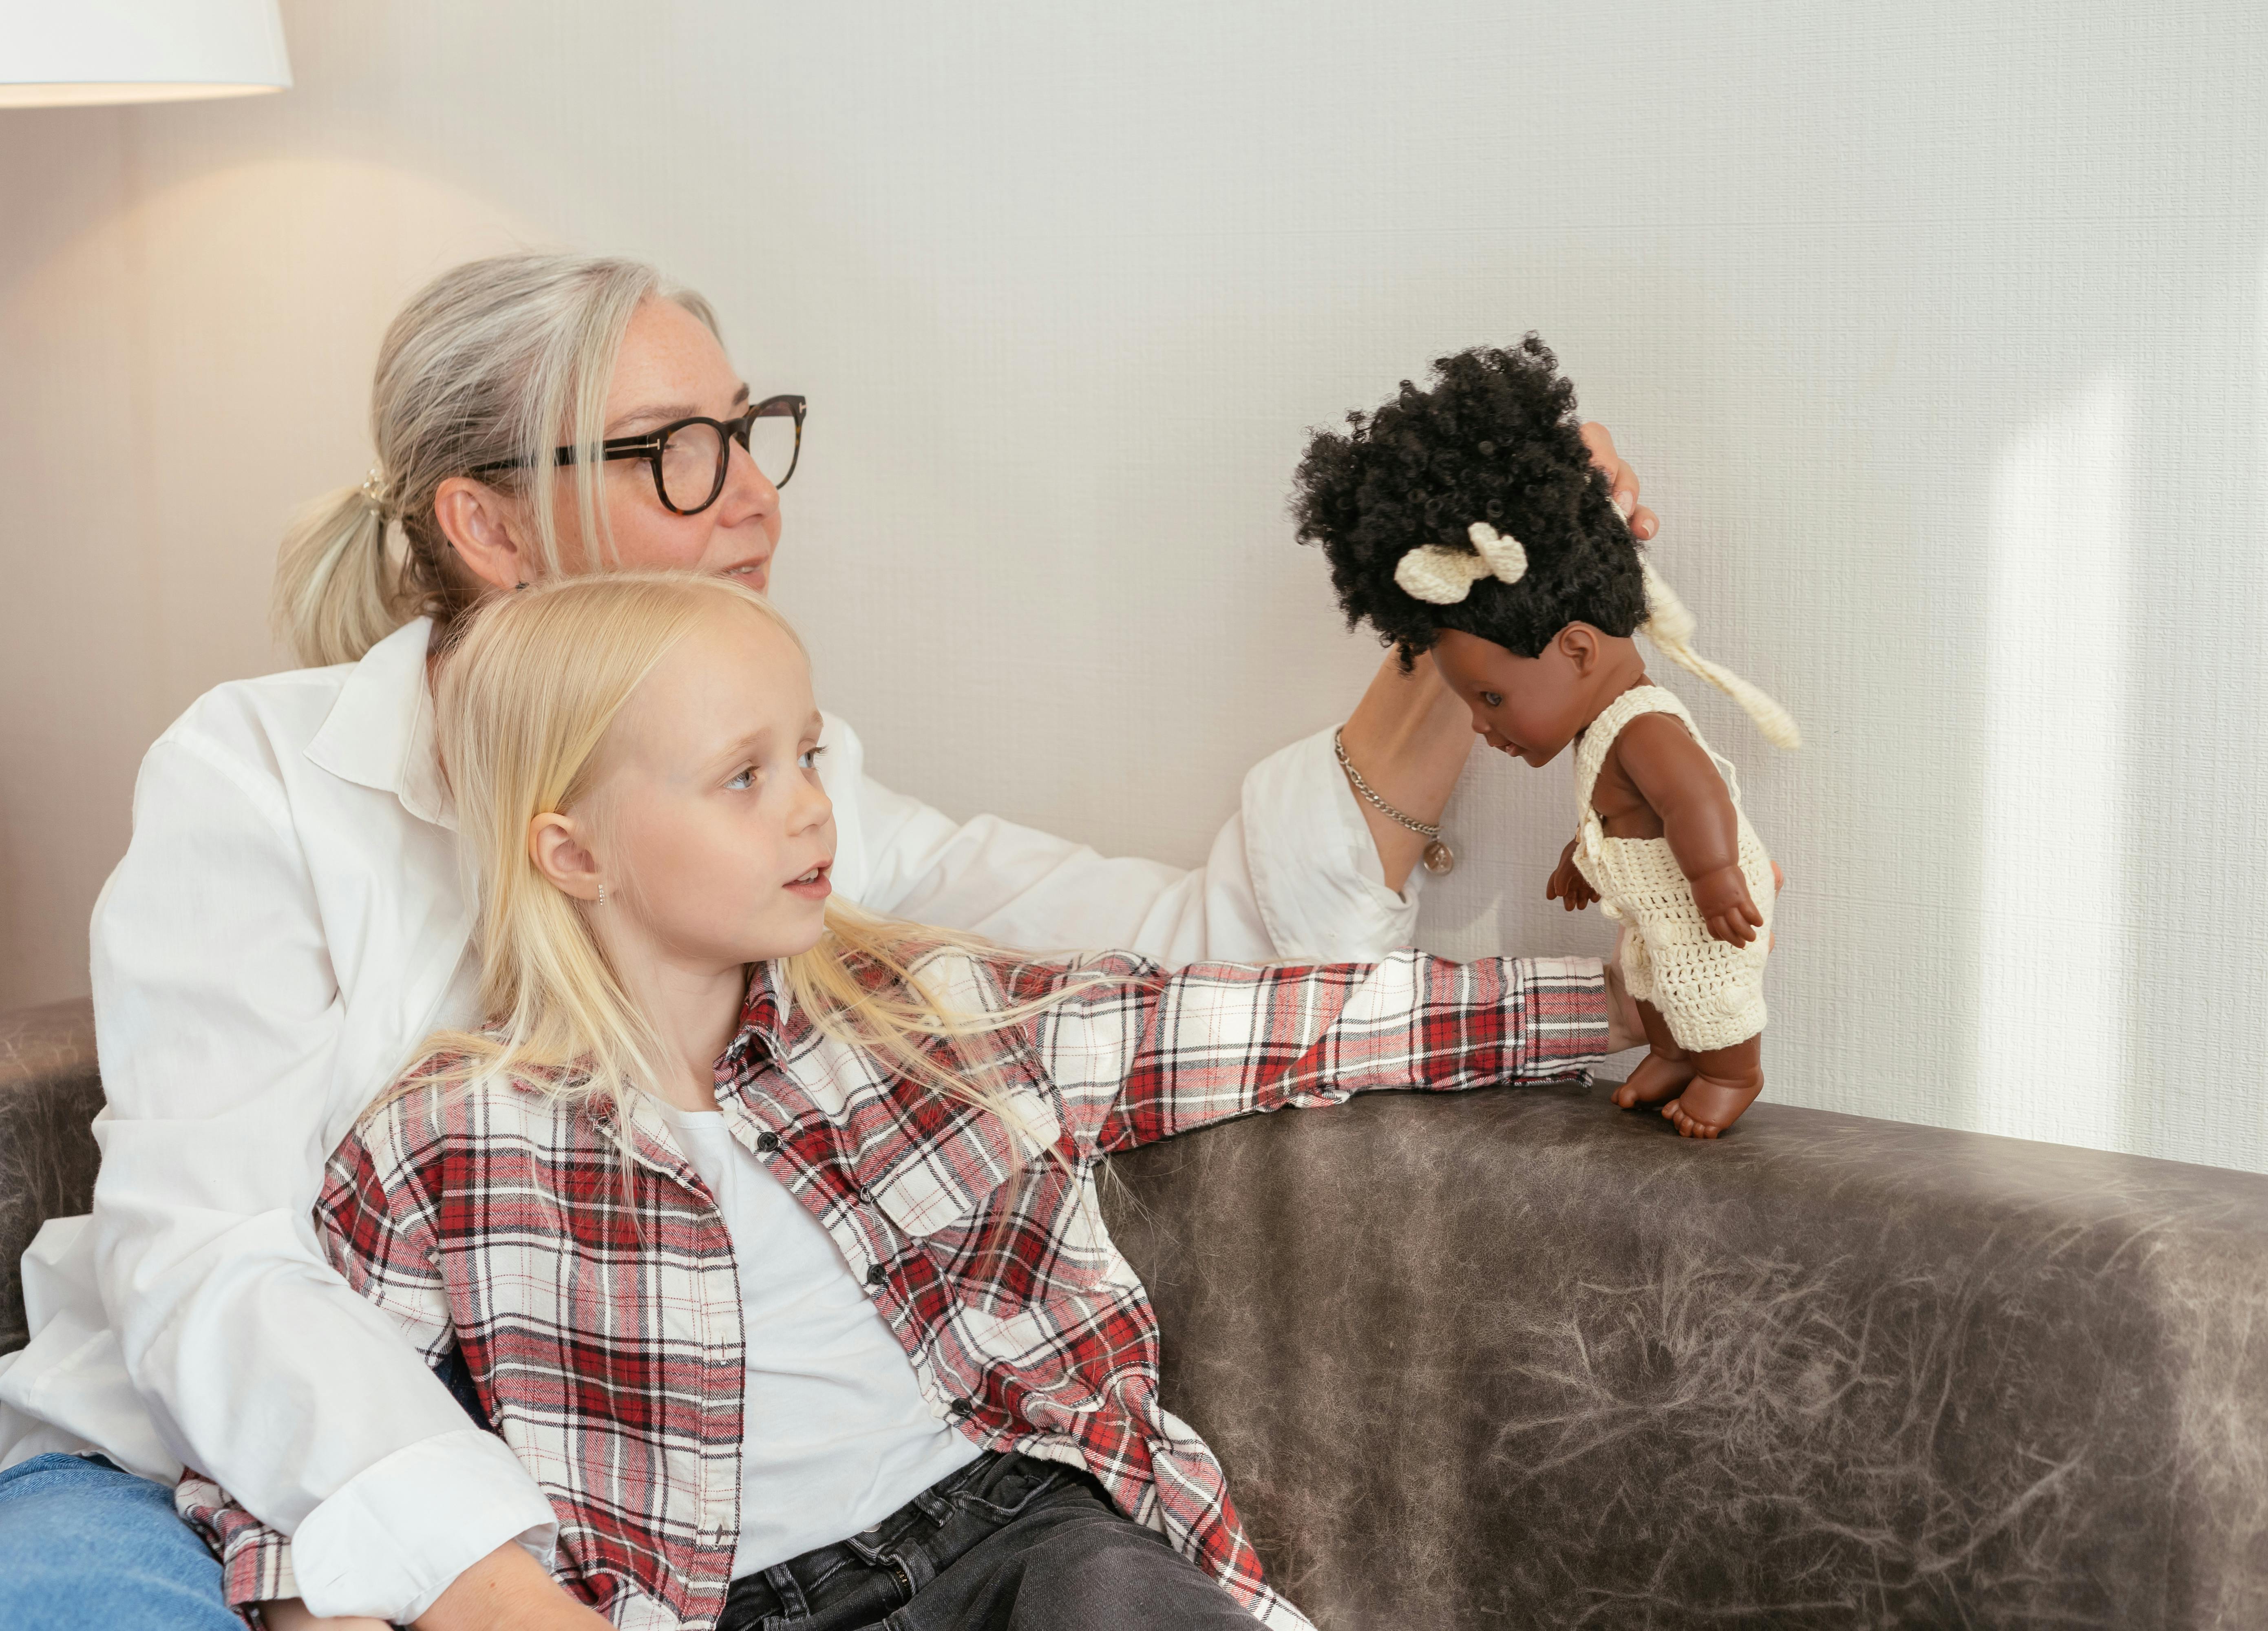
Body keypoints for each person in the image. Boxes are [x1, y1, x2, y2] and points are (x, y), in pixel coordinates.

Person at [0, 254, 1658, 1630]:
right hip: (173, 1464)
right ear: (489, 531)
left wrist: (1459, 644)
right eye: (671, 451)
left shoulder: (797, 808)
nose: (750, 503)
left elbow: (1182, 966)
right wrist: (474, 1583)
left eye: (747, 432)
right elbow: (213, 1261)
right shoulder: (264, 774)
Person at [179, 571, 1628, 1631]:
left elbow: (1275, 1025)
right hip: (711, 1605)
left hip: (1023, 1544)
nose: (810, 804)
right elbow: (307, 1447)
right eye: (741, 778)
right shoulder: (445, 1135)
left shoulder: (922, 1014)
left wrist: (1620, 1007)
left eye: (806, 754)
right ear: (574, 850)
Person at [1293, 336, 1792, 1136]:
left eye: (1491, 697)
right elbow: (1618, 814)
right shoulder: (1603, 731)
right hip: (1658, 904)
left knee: (1707, 989)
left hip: (1708, 906)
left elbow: (1694, 793)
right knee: (1649, 979)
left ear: (1578, 649)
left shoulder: (1644, 725)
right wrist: (1581, 856)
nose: (1483, 725)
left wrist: (1713, 878)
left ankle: (1735, 1071)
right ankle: (1669, 1055)